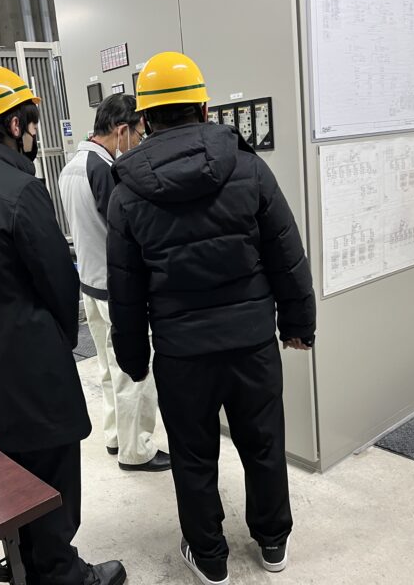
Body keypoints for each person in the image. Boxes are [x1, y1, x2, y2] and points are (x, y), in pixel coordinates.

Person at [107, 52, 316, 585]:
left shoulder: (127, 192)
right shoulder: (249, 168)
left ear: (145, 118)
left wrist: (133, 357)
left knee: (193, 456)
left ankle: (210, 557)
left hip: (182, 354)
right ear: (204, 108)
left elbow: (125, 290)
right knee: (263, 444)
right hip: (251, 344)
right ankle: (272, 542)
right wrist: (298, 324)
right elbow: (286, 253)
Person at [0, 65, 126, 585]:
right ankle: (62, 575)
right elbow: (59, 284)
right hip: (31, 379)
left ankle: (30, 569)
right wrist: (55, 343)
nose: (35, 136)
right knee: (50, 485)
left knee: (11, 486)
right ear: (15, 125)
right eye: (32, 125)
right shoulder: (20, 191)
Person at [58, 93, 169, 472]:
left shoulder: (71, 166)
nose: (138, 142)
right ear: (122, 130)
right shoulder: (104, 170)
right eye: (138, 134)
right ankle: (136, 450)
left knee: (108, 369)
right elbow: (126, 232)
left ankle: (115, 436)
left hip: (90, 285)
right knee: (132, 373)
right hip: (115, 290)